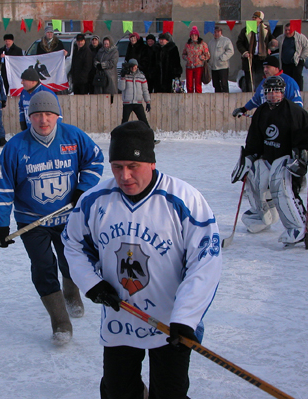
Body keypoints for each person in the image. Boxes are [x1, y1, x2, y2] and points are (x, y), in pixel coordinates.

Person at [61, 120, 222, 398]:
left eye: (133, 166)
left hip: (170, 323)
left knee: (170, 393)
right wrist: (92, 284)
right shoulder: (95, 201)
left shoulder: (184, 200)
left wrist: (186, 318)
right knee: (119, 391)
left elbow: (205, 261)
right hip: (120, 317)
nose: (124, 176)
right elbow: (72, 244)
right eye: (117, 166)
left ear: (151, 163)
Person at [0, 91, 104, 346]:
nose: (44, 120)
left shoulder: (73, 137)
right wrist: (1, 225)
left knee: (70, 261)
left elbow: (95, 159)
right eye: (37, 115)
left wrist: (82, 188)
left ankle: (71, 292)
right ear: (29, 117)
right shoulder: (16, 147)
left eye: (49, 114)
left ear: (57, 115)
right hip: (33, 222)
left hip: (67, 218)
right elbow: (2, 186)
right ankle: (60, 321)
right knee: (43, 267)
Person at [231, 75, 308, 245]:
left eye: (276, 91)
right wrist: (248, 158)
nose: (273, 95)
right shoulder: (261, 111)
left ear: (282, 92)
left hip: (286, 159)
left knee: (280, 185)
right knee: (255, 177)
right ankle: (262, 214)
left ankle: (298, 226)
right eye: (269, 92)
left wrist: (301, 156)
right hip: (267, 156)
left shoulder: (294, 112)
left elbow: (303, 138)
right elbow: (254, 140)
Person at [232, 55, 302, 117]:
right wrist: (244, 109)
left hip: (284, 122)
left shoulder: (289, 82)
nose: (265, 70)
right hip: (267, 120)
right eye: (264, 67)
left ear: (276, 68)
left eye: (268, 67)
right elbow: (256, 100)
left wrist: (292, 117)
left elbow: (297, 103)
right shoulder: (264, 82)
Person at [236, 11, 273, 92]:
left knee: (260, 77)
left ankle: (260, 93)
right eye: (253, 17)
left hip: (261, 57)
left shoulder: (266, 29)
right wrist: (244, 52)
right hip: (250, 57)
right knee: (249, 78)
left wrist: (269, 47)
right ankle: (250, 94)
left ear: (260, 19)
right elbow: (239, 42)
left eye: (255, 17)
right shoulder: (246, 29)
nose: (253, 19)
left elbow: (270, 40)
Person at [275, 23, 308, 91]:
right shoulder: (281, 38)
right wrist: (272, 44)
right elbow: (273, 47)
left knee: (297, 76)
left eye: (289, 30)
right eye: (286, 30)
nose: (287, 32)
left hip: (296, 62)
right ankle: (287, 91)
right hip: (285, 63)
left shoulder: (300, 37)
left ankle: (299, 91)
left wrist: (301, 57)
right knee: (286, 78)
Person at [118, 59, 150, 126]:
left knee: (144, 121)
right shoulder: (126, 76)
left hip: (138, 103)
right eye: (131, 66)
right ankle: (122, 135)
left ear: (137, 66)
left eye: (135, 66)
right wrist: (123, 77)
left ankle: (148, 134)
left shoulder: (141, 77)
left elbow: (145, 90)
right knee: (124, 121)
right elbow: (121, 88)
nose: (133, 68)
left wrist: (148, 102)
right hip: (127, 103)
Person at [182, 26, 210, 93]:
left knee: (198, 84)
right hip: (189, 66)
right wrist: (187, 58)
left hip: (198, 66)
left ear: (198, 36)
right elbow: (183, 54)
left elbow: (207, 55)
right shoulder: (187, 44)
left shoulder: (202, 44)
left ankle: (198, 98)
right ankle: (190, 97)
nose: (194, 36)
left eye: (195, 35)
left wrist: (201, 57)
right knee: (189, 84)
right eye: (192, 35)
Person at [207, 26, 234, 93]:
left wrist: (222, 58)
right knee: (216, 85)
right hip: (214, 67)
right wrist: (209, 61)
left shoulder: (226, 40)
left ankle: (226, 99)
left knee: (224, 84)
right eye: (215, 32)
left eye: (218, 32)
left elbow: (231, 51)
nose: (216, 33)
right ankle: (217, 99)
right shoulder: (211, 42)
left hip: (223, 67)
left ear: (221, 32)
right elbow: (208, 53)